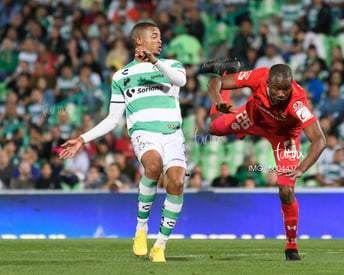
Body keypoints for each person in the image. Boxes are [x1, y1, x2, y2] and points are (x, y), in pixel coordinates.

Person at [59, 22, 187, 262]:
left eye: (160, 36)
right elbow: (112, 119)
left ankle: (160, 244)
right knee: (153, 166)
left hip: (173, 134)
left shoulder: (171, 65)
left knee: (177, 183)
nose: (160, 40)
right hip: (143, 133)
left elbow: (180, 82)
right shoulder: (121, 76)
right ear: (139, 41)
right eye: (154, 36)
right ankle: (141, 227)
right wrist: (81, 139)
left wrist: (154, 61)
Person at [201, 61, 326, 261]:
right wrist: (218, 101)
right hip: (253, 118)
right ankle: (227, 68)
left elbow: (320, 140)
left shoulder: (298, 102)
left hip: (284, 137)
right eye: (276, 88)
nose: (281, 94)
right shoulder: (258, 76)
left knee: (286, 190)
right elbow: (214, 83)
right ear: (267, 83)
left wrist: (303, 168)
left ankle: (291, 246)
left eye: (286, 88)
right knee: (213, 128)